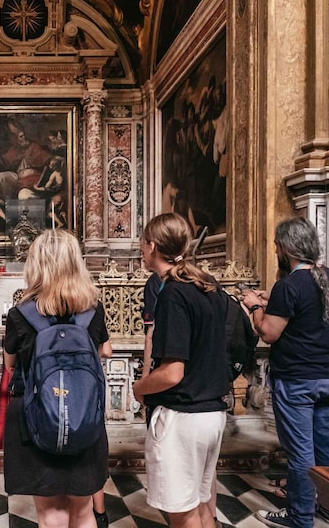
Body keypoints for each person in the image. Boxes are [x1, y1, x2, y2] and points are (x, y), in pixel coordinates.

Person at [241, 217, 329, 528]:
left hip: (298, 380)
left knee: (301, 453)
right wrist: (269, 299)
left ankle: (300, 518)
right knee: (325, 445)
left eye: (276, 245)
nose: (274, 250)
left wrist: (253, 305)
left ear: (287, 248)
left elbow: (269, 333)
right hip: (328, 377)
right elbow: (307, 313)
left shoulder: (288, 286)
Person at [3, 229, 112, 528]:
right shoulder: (93, 309)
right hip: (84, 416)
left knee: (51, 515)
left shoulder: (20, 314)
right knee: (83, 511)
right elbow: (103, 352)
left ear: (35, 264)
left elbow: (10, 364)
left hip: (37, 418)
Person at [132, 213, 229, 528]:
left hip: (183, 417)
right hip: (212, 412)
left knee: (183, 514)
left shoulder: (173, 292)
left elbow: (173, 372)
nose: (141, 250)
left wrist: (140, 387)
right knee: (201, 507)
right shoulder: (207, 285)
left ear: (153, 246)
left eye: (143, 243)